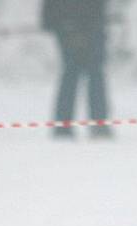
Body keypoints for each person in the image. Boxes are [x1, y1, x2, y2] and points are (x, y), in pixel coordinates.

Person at [42, 0, 113, 138]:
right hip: (77, 22)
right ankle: (93, 124)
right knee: (84, 71)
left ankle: (65, 125)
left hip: (75, 21)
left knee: (78, 72)